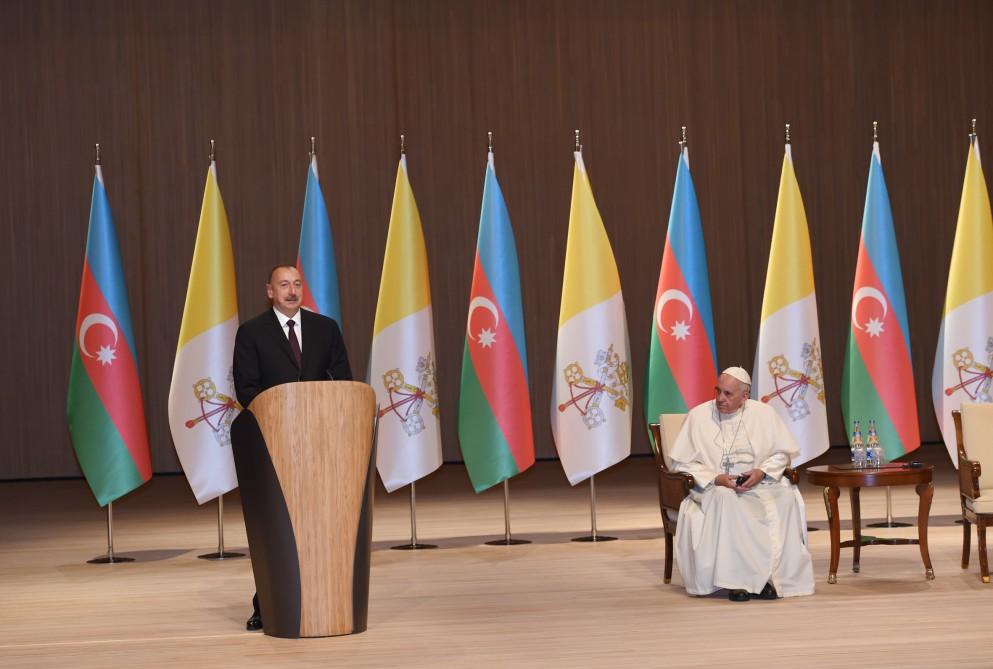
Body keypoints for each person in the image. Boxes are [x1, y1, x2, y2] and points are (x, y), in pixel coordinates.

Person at [233, 264, 352, 630]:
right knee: (277, 527)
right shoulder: (251, 332)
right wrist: (281, 416)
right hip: (273, 446)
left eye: (297, 284)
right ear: (270, 290)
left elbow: (343, 380)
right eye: (284, 285)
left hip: (322, 445)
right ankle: (266, 605)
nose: (291, 290)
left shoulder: (325, 328)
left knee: (320, 525)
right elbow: (246, 388)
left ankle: (323, 599)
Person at [668, 366, 814, 601]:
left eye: (728, 394)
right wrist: (716, 478)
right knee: (728, 500)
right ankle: (738, 582)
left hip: (759, 484)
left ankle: (771, 578)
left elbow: (782, 454)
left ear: (745, 397)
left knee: (786, 498)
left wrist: (761, 472)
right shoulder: (698, 416)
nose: (719, 399)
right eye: (718, 392)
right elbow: (681, 463)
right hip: (713, 489)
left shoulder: (764, 414)